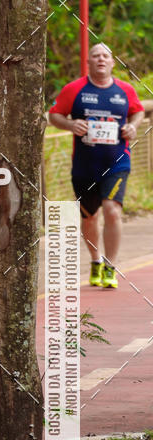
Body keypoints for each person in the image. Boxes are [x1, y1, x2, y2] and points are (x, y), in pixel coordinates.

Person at [49, 43, 144, 289]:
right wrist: (71, 125)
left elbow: (138, 111)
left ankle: (110, 266)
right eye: (95, 56)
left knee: (112, 210)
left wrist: (133, 126)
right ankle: (95, 260)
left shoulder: (125, 90)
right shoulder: (74, 89)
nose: (101, 59)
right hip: (84, 165)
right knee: (90, 218)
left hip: (117, 162)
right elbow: (55, 115)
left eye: (105, 56)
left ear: (112, 62)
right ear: (88, 62)